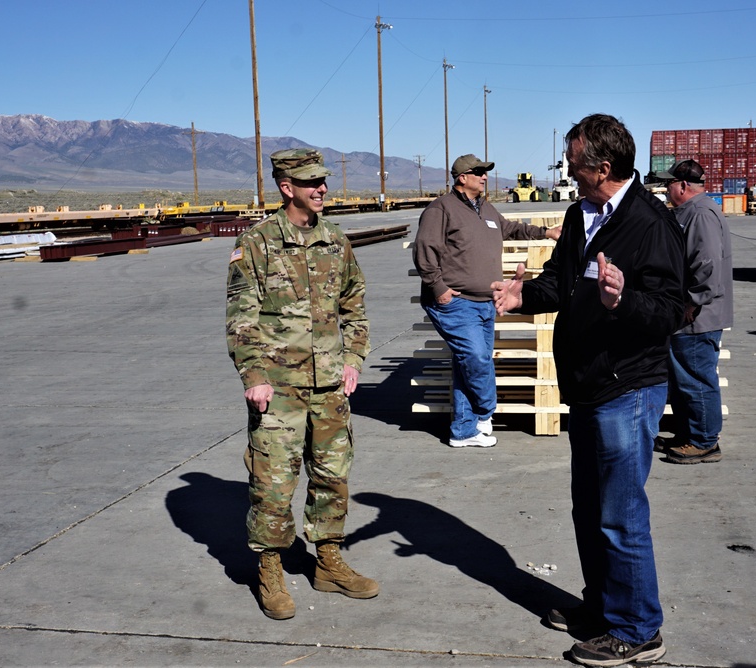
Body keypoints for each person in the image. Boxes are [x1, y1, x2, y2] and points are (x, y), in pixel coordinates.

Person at [492, 114, 684, 667]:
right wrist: (522, 295)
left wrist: (624, 301)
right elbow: (559, 280)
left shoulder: (650, 224)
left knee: (621, 514)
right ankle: (603, 607)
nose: (568, 171)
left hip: (628, 387)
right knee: (590, 508)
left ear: (602, 167)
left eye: (574, 163)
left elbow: (674, 310)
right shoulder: (582, 215)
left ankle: (638, 630)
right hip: (588, 384)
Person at [226, 148, 378, 620]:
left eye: (324, 181)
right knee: (273, 482)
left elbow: (354, 304)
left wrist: (352, 358)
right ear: (286, 187)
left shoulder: (336, 241)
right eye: (311, 182)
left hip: (330, 383)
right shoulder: (258, 243)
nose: (322, 189)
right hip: (279, 386)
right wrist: (253, 375)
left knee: (332, 476)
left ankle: (328, 562)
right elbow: (241, 317)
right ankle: (269, 569)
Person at [413, 154, 560, 448]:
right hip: (455, 302)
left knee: (466, 364)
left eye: (485, 172)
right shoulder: (441, 209)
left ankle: (463, 431)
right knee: (477, 359)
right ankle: (484, 412)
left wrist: (546, 232)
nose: (484, 176)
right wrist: (438, 287)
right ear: (461, 177)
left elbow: (511, 228)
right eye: (478, 172)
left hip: (484, 303)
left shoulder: (487, 209)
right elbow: (424, 249)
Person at [655, 159, 733, 464]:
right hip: (690, 314)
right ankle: (689, 434)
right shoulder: (691, 211)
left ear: (683, 186)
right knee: (684, 378)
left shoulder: (700, 214)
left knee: (696, 378)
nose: (665, 189)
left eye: (669, 184)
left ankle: (704, 441)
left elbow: (707, 264)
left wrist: (692, 302)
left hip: (698, 316)